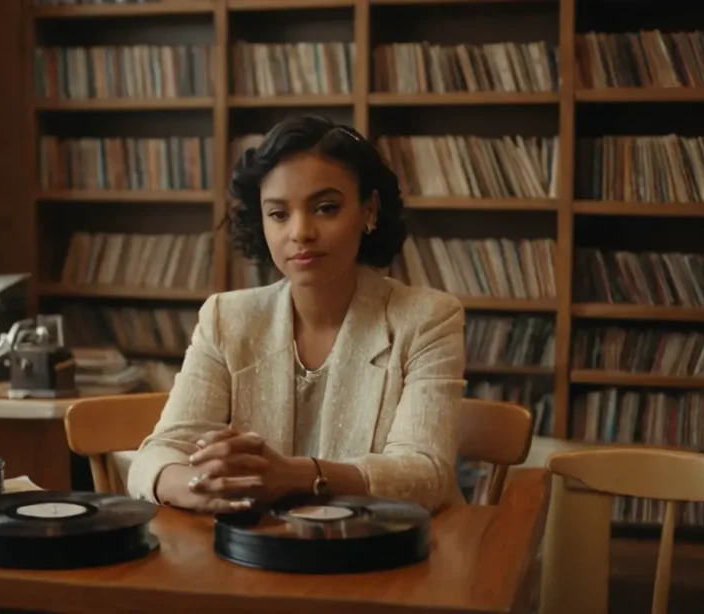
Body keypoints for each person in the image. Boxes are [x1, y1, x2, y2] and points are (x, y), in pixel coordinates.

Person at [126, 115, 466, 514]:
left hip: (387, 554)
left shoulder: (427, 318)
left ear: (369, 210)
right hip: (258, 555)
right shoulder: (226, 318)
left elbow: (425, 475)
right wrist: (200, 484)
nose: (300, 232)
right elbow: (156, 455)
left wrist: (295, 476)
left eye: (325, 208)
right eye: (279, 214)